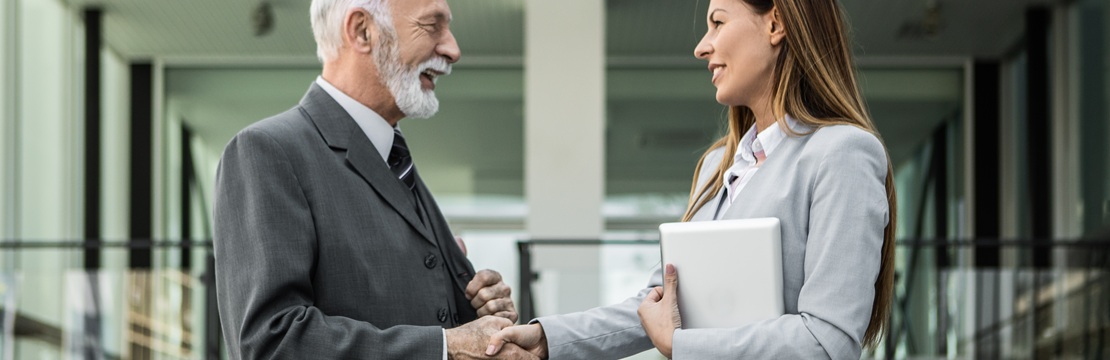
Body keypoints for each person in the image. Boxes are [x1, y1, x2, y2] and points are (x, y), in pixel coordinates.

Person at [486, 0, 897, 358]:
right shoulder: (717, 165)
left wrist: (683, 347)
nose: (702, 46)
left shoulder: (842, 153)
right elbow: (657, 303)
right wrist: (547, 340)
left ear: (775, 24)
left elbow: (828, 342)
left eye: (718, 22)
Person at [212, 0, 534, 358]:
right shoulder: (267, 151)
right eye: (432, 26)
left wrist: (481, 315)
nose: (453, 49)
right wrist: (450, 347)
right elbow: (270, 342)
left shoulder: (394, 159)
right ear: (362, 31)